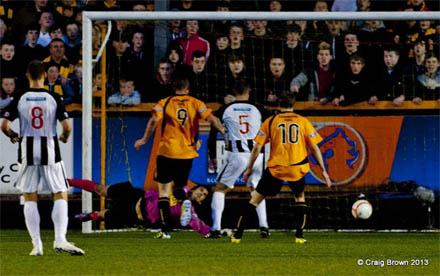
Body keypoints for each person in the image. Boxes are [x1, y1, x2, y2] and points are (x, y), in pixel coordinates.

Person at [1, 60, 84, 256]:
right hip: (50, 150)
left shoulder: (20, 96)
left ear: (27, 76)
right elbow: (67, 127)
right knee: (60, 192)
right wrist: (64, 137)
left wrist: (13, 136)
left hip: (27, 151)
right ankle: (60, 239)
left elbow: (4, 125)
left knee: (30, 195)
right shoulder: (54, 96)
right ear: (45, 76)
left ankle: (37, 245)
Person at [230, 92, 332, 244]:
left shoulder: (271, 121)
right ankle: (299, 236)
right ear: (293, 104)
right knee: (299, 198)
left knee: (255, 200)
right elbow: (315, 148)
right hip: (296, 168)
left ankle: (237, 236)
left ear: (278, 105)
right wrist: (324, 171)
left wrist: (249, 168)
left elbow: (257, 147)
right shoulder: (303, 121)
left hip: (276, 169)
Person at [134, 75, 225, 239]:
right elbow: (212, 119)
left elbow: (154, 119)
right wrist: (224, 131)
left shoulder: (164, 102)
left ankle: (165, 229)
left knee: (163, 192)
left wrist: (144, 139)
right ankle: (185, 201)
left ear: (173, 88)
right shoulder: (196, 103)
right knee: (180, 186)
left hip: (167, 151)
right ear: (187, 88)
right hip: (186, 153)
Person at [207, 80, 270, 239]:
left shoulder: (225, 109)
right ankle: (264, 227)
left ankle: (215, 228)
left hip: (237, 155)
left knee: (220, 188)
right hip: (257, 155)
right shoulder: (259, 108)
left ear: (234, 92)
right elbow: (272, 125)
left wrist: (213, 155)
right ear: (249, 91)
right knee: (256, 190)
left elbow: (213, 131)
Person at [70, 179, 211, 236]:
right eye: (202, 190)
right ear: (195, 188)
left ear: (200, 202)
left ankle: (91, 215)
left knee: (103, 215)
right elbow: (170, 183)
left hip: (135, 216)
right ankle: (69, 181)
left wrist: (213, 231)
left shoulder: (190, 214)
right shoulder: (181, 188)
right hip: (136, 196)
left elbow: (200, 226)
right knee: (101, 190)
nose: (201, 194)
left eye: (204, 195)